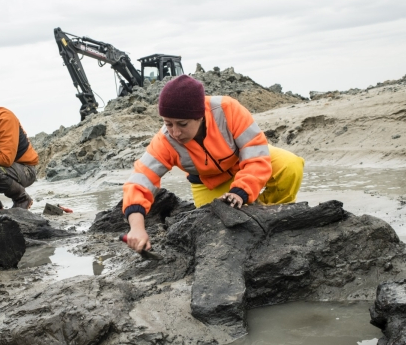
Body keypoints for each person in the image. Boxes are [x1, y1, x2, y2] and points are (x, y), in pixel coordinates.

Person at [122, 75, 304, 252]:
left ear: (200, 116)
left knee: (291, 165)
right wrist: (137, 227)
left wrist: (241, 192)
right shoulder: (165, 140)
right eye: (168, 123)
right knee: (219, 230)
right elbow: (140, 181)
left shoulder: (227, 110)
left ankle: (268, 214)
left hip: (244, 162)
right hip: (208, 182)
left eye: (182, 124)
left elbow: (256, 156)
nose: (175, 133)